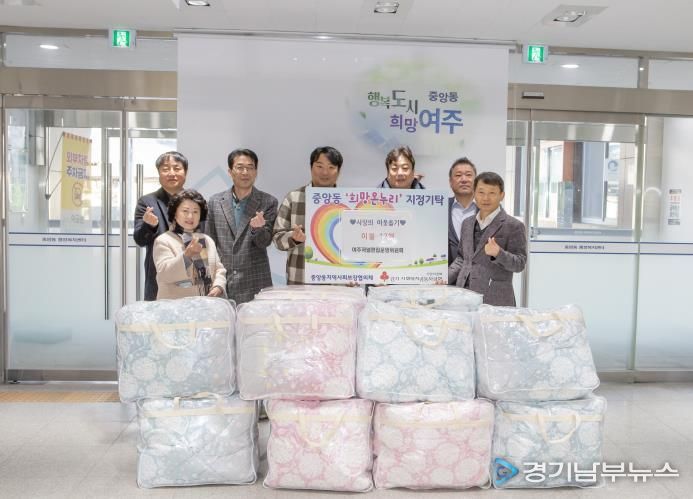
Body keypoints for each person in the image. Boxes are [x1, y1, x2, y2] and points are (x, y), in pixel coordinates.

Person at [206, 148, 277, 304]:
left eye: (250, 167)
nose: (245, 172)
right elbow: (209, 243)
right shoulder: (214, 202)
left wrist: (258, 229)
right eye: (240, 167)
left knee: (256, 320)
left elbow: (265, 242)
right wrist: (214, 278)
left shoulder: (268, 201)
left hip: (255, 281)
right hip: (222, 281)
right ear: (230, 171)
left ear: (256, 172)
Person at [448, 172, 527, 306]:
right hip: (464, 296)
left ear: (502, 195)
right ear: (474, 194)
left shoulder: (514, 225)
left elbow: (520, 264)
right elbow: (462, 259)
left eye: (492, 193)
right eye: (481, 192)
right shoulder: (467, 223)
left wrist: (498, 253)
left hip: (495, 299)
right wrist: (445, 278)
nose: (486, 198)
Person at [273, 146, 343, 285]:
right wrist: (293, 238)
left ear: (338, 171)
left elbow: (356, 243)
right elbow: (277, 239)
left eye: (331, 167)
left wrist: (354, 273)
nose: (325, 172)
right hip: (300, 280)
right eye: (319, 166)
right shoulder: (294, 198)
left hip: (336, 284)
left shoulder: (347, 201)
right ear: (311, 167)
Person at [133, 151, 188, 301]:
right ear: (159, 173)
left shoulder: (196, 201)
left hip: (190, 277)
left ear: (185, 172)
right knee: (158, 316)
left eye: (177, 168)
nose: (172, 173)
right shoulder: (147, 202)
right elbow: (139, 240)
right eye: (165, 169)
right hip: (158, 277)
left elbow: (203, 237)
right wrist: (148, 225)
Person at [153, 189, 226, 299]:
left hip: (206, 304)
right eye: (185, 211)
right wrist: (186, 256)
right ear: (175, 213)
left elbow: (219, 269)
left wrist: (218, 286)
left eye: (195, 212)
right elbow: (164, 274)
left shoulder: (207, 240)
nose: (190, 216)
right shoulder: (164, 240)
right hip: (174, 305)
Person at [448, 157, 478, 265]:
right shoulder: (440, 208)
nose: (464, 179)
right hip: (445, 274)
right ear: (450, 182)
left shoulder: (488, 209)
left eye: (469, 175)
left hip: (478, 274)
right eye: (458, 175)